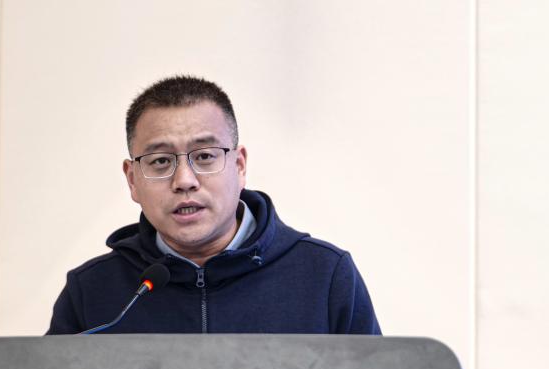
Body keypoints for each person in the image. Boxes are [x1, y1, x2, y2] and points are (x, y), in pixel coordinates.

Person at [47, 76, 380, 335]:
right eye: (161, 161)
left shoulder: (325, 276)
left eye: (205, 156)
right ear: (132, 179)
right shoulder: (91, 291)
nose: (184, 180)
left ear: (239, 166)